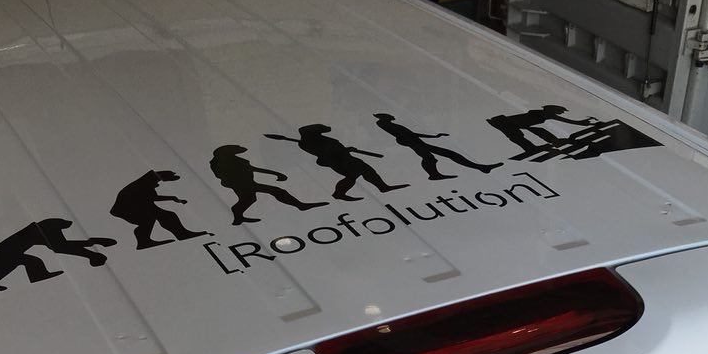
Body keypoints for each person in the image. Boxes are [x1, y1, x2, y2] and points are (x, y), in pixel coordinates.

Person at [266, 123, 407, 200]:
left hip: (344, 157)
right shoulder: (308, 143)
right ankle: (341, 193)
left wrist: (346, 149)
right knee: (355, 174)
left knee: (362, 171)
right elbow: (328, 152)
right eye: (319, 129)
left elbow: (333, 148)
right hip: (338, 160)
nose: (323, 130)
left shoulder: (314, 140)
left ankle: (381, 186)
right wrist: (344, 150)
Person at [0, 218, 115, 292]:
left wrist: (91, 245)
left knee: (26, 261)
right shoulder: (43, 230)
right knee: (30, 261)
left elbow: (61, 246)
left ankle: (37, 275)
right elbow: (61, 247)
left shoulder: (36, 232)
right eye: (61, 228)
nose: (62, 230)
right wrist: (91, 244)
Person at [208, 144, 326, 225]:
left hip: (247, 182)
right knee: (275, 191)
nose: (240, 149)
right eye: (236, 148)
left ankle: (238, 217)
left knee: (249, 199)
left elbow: (251, 168)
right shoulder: (221, 162)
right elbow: (222, 175)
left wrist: (276, 174)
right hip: (241, 183)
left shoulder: (233, 159)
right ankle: (300, 205)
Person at [373, 112, 501, 180]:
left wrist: (434, 137)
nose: (393, 116)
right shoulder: (384, 124)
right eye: (390, 115)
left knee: (435, 156)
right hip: (411, 141)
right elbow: (410, 134)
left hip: (413, 141)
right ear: (386, 117)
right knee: (437, 156)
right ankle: (435, 175)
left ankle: (480, 167)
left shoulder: (390, 125)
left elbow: (412, 134)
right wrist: (431, 137)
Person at [110, 169, 206, 249]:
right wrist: (172, 198)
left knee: (168, 215)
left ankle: (182, 234)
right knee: (149, 218)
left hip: (140, 204)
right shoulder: (145, 183)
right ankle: (144, 241)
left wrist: (173, 198)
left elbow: (151, 197)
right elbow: (154, 197)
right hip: (125, 208)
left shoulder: (147, 181)